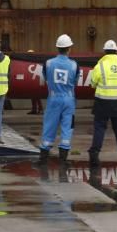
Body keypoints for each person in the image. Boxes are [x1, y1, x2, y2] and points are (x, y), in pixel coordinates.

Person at [89, 40, 117, 170]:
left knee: (100, 128)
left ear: (105, 51)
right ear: (116, 51)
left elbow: (92, 83)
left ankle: (95, 155)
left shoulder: (100, 66)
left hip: (103, 102)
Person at [39, 34, 79, 164]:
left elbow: (45, 78)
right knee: (67, 127)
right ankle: (63, 159)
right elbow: (75, 81)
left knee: (49, 125)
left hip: (54, 98)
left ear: (57, 48)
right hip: (68, 99)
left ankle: (43, 157)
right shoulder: (74, 65)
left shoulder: (48, 63)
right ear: (69, 48)